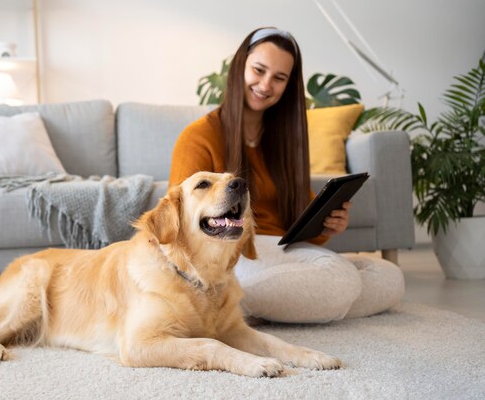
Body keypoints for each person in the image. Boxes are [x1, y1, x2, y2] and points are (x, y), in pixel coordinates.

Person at [168, 27, 404, 323]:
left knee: (388, 276)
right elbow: (183, 225)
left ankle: (251, 310)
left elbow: (297, 218)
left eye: (279, 78)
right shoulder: (199, 137)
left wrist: (327, 223)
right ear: (240, 66)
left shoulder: (283, 140)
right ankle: (227, 303)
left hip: (283, 250)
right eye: (258, 70)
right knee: (341, 280)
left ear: (288, 86)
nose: (265, 85)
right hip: (235, 253)